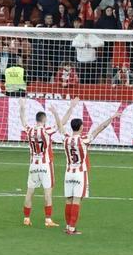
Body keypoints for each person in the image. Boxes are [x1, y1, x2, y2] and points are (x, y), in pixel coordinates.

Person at [59, 104, 121, 235]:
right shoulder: (84, 139)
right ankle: (72, 228)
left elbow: (60, 127)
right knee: (77, 200)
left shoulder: (65, 139)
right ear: (81, 127)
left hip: (68, 173)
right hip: (80, 173)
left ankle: (68, 226)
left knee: (68, 199)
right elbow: (100, 128)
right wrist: (112, 117)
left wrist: (67, 108)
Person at [19, 98, 74, 227]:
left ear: (36, 120)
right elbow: (63, 123)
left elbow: (22, 120)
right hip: (45, 165)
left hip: (33, 165)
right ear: (44, 120)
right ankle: (48, 220)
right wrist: (68, 109)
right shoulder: (47, 130)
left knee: (30, 191)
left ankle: (26, 218)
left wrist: (22, 107)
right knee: (47, 192)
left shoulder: (30, 130)